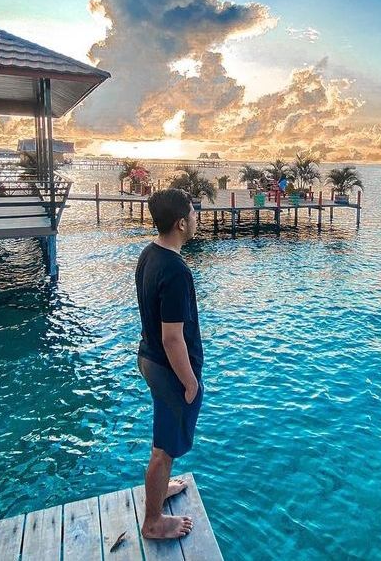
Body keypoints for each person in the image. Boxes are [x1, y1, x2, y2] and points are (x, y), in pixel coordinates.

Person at [135, 189, 204, 540]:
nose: (196, 218)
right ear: (181, 222)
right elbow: (173, 337)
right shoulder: (176, 271)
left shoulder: (150, 254)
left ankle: (161, 493)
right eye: (193, 213)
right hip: (168, 368)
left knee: (165, 438)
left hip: (149, 359)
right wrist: (190, 382)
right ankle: (153, 522)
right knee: (163, 449)